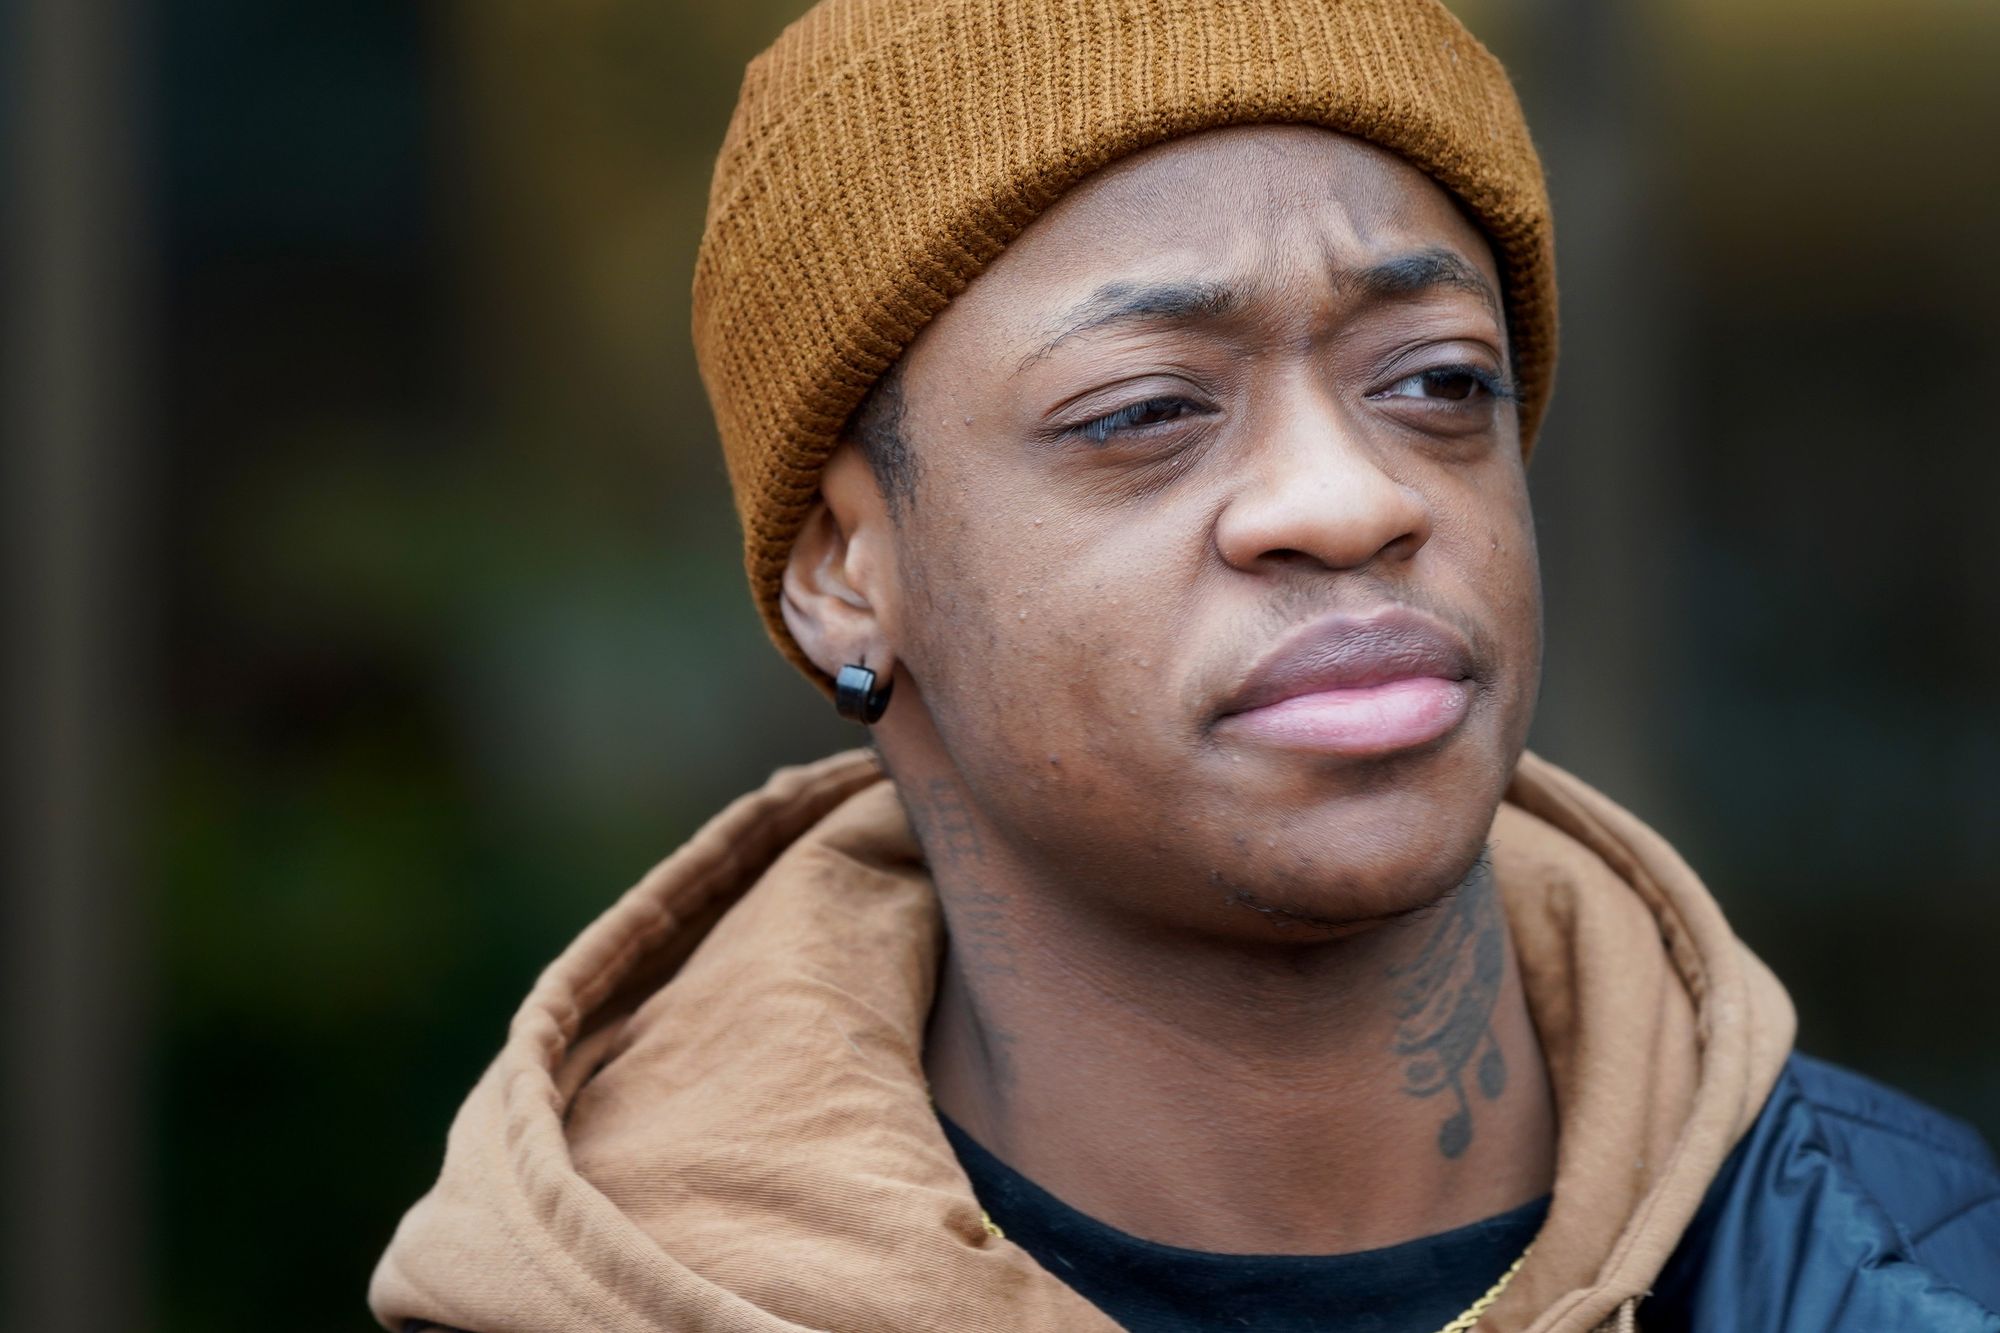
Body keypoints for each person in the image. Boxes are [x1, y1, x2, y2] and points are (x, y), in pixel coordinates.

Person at [370, 1, 2000, 1329]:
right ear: (840, 571)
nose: (1353, 496)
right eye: (1147, 408)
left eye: (1437, 381)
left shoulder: (1912, 1269)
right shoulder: (599, 1290)